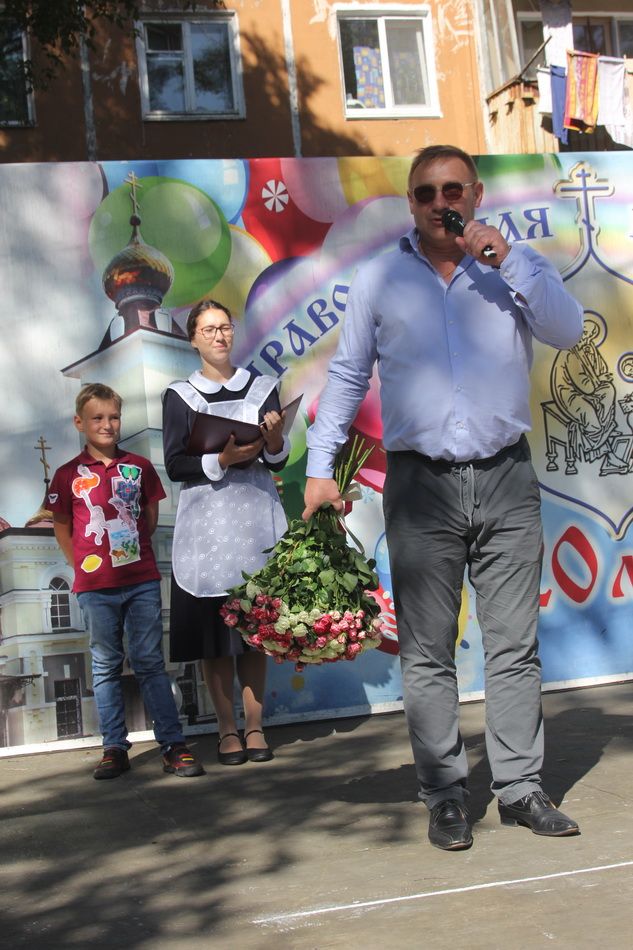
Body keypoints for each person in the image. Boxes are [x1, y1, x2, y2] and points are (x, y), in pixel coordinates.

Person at [303, 145, 584, 851]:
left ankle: (520, 788)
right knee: (427, 650)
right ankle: (445, 793)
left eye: (452, 190)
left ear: (476, 194)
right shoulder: (380, 277)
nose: (440, 203)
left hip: (506, 477)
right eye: (426, 193)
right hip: (419, 484)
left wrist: (506, 259)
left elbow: (567, 329)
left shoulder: (514, 266)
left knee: (514, 645)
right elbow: (346, 375)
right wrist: (319, 466)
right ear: (411, 203)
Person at [49, 383, 204, 780]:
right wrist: (81, 566)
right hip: (95, 588)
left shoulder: (139, 467)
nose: (107, 425)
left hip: (140, 581)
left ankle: (172, 744)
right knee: (105, 665)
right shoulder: (67, 475)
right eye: (97, 418)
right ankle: (114, 747)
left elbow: (148, 519)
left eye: (114, 417)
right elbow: (62, 526)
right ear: (80, 422)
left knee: (150, 661)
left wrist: (130, 553)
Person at [162, 299, 289, 765]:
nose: (219, 336)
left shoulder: (263, 387)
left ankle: (255, 727)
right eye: (208, 329)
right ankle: (226, 730)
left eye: (225, 327)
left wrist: (274, 442)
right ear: (193, 339)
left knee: (255, 631)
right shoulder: (181, 395)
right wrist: (221, 459)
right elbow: (175, 464)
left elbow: (277, 459)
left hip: (255, 520)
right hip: (206, 527)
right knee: (214, 636)